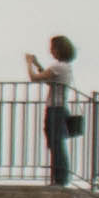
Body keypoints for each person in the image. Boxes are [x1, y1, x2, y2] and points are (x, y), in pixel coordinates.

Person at [24, 34, 79, 186]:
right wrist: (37, 63)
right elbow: (49, 80)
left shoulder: (57, 67)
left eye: (53, 48)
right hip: (60, 108)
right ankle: (60, 177)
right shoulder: (64, 67)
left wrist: (29, 63)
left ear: (58, 49)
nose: (51, 50)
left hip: (55, 109)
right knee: (57, 143)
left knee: (55, 143)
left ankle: (59, 178)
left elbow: (35, 78)